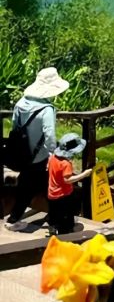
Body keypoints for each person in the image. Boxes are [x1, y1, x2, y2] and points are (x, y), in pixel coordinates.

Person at [5, 66, 66, 227]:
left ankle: (15, 216)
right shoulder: (47, 110)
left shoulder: (20, 104)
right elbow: (50, 135)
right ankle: (58, 220)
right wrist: (54, 155)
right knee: (49, 186)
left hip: (22, 153)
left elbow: (14, 128)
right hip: (39, 157)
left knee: (27, 183)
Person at [47, 133, 85, 235]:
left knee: (53, 214)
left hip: (52, 193)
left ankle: (52, 229)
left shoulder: (53, 158)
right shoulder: (66, 164)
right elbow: (67, 180)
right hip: (63, 195)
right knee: (66, 217)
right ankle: (66, 234)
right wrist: (84, 175)